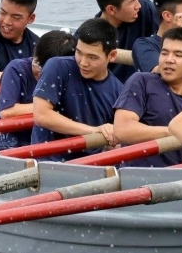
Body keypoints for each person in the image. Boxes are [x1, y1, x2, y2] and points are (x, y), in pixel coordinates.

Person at [0, 30, 77, 152]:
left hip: (54, 136)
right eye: (36, 63)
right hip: (12, 137)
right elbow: (7, 111)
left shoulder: (72, 73)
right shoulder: (16, 69)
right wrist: (46, 108)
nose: (39, 71)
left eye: (44, 69)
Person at [31, 19, 123, 161]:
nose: (83, 62)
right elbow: (41, 115)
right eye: (79, 53)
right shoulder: (56, 66)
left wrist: (113, 142)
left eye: (92, 57)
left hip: (91, 166)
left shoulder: (119, 91)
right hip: (46, 162)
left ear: (112, 56)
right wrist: (92, 131)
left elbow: (118, 138)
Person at [113, 28, 182, 167]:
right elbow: (122, 130)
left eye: (178, 55)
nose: (169, 60)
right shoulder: (142, 82)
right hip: (140, 179)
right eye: (164, 53)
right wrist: (174, 131)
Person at [92, 0, 158, 82]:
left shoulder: (145, 9)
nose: (138, 5)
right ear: (111, 9)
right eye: (132, 1)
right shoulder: (89, 36)